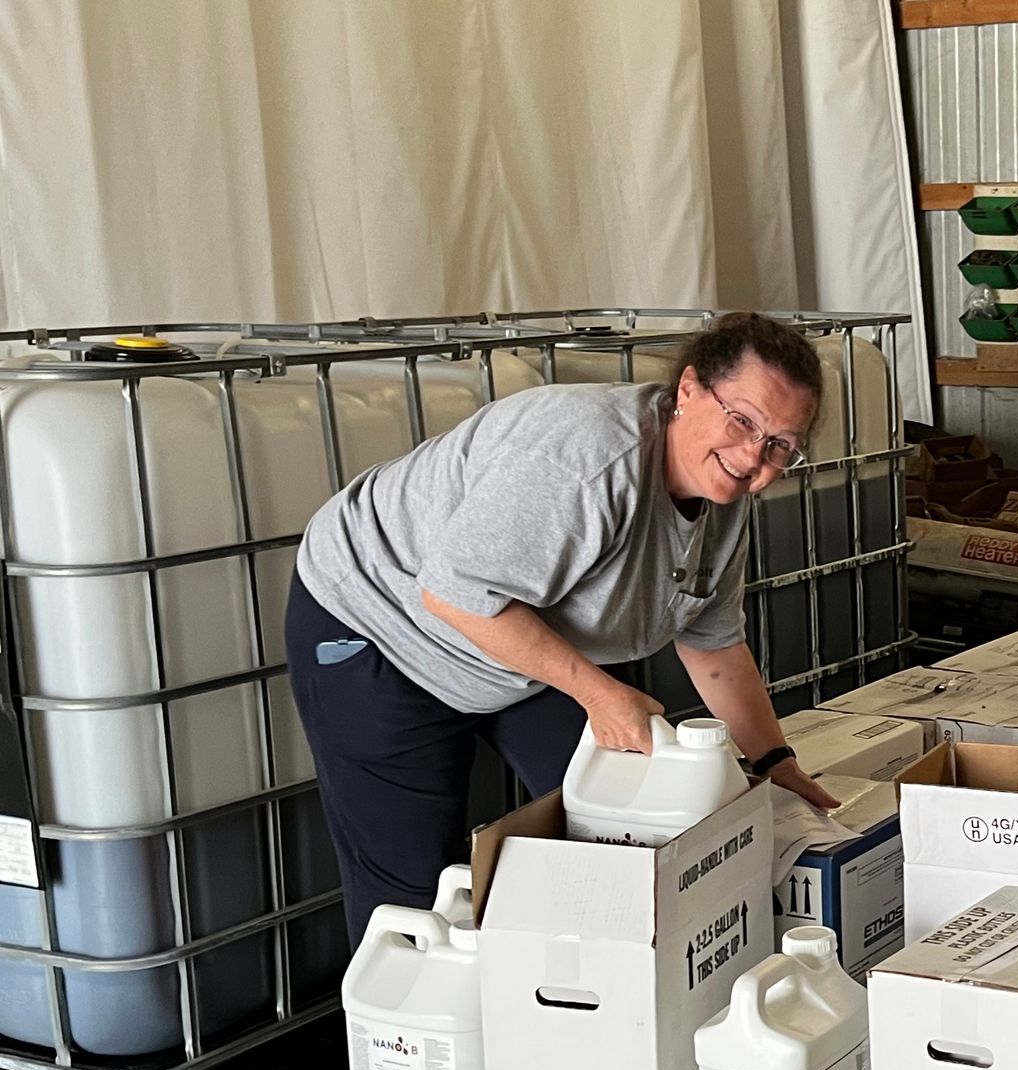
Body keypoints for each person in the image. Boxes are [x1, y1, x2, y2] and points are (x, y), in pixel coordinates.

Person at [288, 311, 839, 941]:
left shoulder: (723, 501)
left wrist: (774, 761)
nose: (752, 456)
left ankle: (585, 998)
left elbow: (712, 640)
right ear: (687, 389)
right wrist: (599, 692)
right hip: (384, 623)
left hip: (521, 637)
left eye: (780, 445)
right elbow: (454, 593)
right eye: (742, 420)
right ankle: (402, 1026)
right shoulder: (584, 460)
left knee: (628, 824)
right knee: (416, 893)